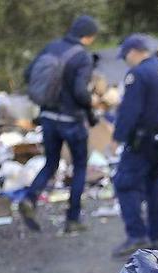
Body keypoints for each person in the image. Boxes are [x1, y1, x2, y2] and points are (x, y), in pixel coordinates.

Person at [18, 15, 99, 233]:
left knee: (51, 162)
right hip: (71, 120)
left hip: (48, 117)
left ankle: (30, 198)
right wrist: (90, 109)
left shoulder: (51, 47)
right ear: (89, 36)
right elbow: (81, 92)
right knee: (80, 166)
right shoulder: (82, 56)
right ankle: (72, 220)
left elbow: (28, 74)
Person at [111, 34, 158, 257]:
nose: (126, 61)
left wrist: (118, 136)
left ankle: (137, 235)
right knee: (154, 185)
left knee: (125, 184)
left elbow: (130, 111)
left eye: (125, 57)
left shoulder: (138, 74)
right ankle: (156, 238)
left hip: (141, 141)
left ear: (133, 52)